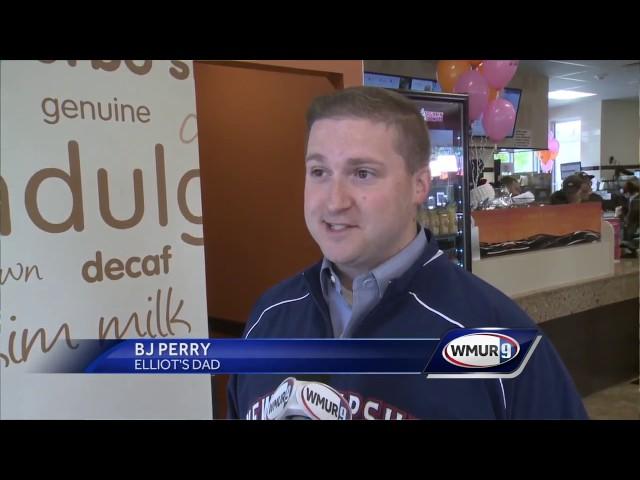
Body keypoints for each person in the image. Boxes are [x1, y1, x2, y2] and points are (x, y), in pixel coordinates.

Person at [227, 86, 587, 420]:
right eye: (319, 171)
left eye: (363, 173)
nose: (334, 201)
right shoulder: (269, 317)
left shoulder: (494, 335)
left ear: (419, 185)